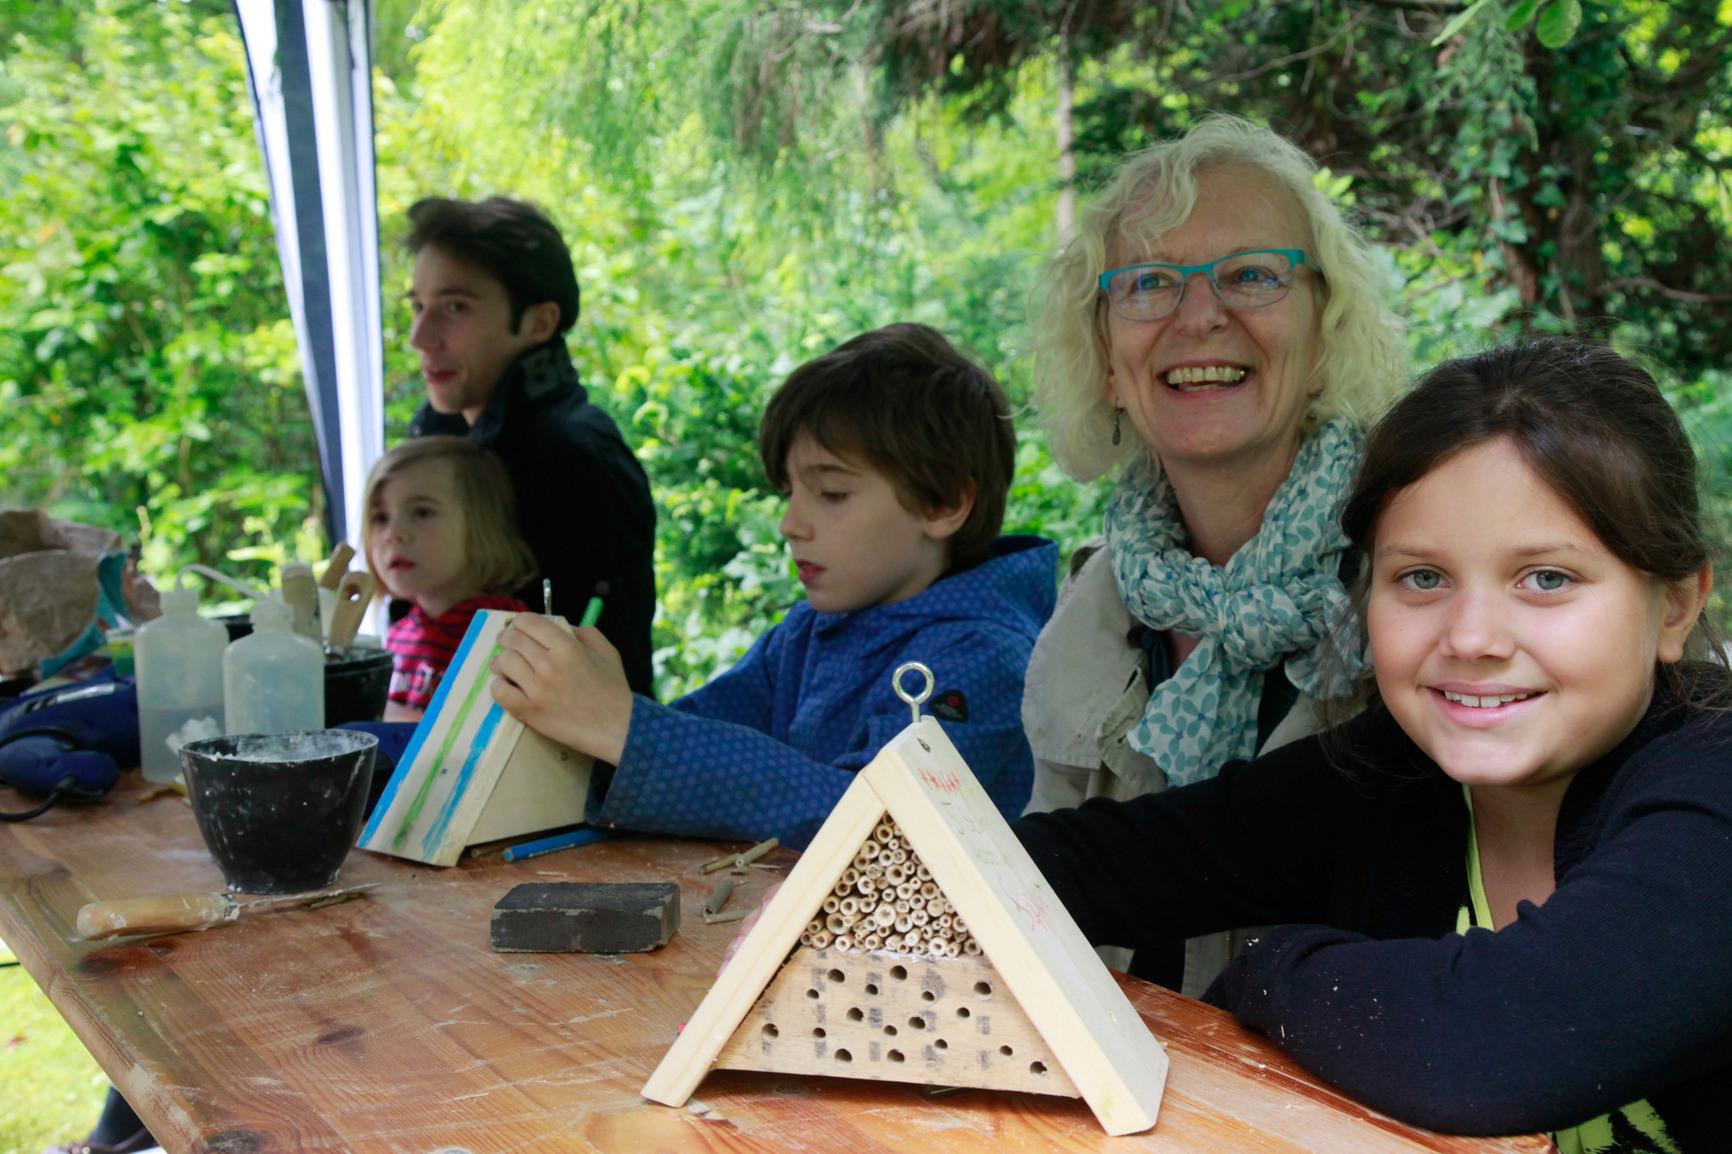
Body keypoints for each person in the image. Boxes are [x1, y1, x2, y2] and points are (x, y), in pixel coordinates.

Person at [1018, 339, 1731, 1152]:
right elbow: (1100, 862)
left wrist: (1265, 965)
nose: (1471, 637)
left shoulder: (1715, 784)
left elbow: (1492, 1044)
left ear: (1674, 606)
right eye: (1422, 578)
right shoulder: (1392, 772)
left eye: (1546, 578)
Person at [1019, 114, 1408, 991]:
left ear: (1325, 336)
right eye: (1150, 283)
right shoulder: (1093, 609)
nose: (1201, 315)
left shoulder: (1422, 583)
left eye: (1251, 275)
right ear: (1108, 363)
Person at [489, 324, 1057, 849]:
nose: (791, 524)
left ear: (944, 503)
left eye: (831, 494)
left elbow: (881, 827)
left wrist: (620, 726)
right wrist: (595, 718)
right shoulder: (807, 634)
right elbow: (703, 733)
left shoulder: (986, 658)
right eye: (789, 491)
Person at [404, 196, 657, 697]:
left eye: (455, 307)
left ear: (539, 323)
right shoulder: (440, 438)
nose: (420, 336)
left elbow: (609, 680)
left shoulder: (575, 455)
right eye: (417, 306)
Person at [362, 437, 536, 721]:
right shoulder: (399, 636)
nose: (394, 533)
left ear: (481, 526)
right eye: (381, 517)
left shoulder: (511, 632)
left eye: (422, 512)